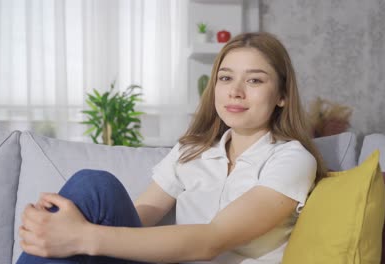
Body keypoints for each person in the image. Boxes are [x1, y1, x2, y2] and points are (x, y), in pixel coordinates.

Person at [17, 32, 327, 264]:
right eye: (225, 77)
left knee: (90, 198)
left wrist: (82, 237)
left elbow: (212, 241)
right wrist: (65, 228)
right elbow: (140, 217)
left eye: (255, 81)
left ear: (282, 95)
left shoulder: (291, 159)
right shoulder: (191, 151)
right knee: (94, 187)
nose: (235, 91)